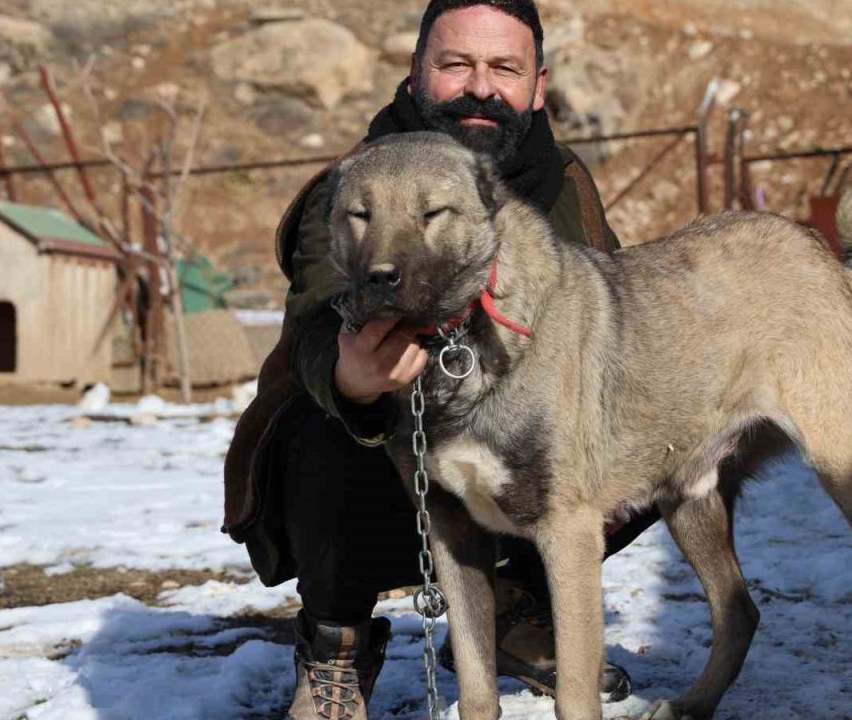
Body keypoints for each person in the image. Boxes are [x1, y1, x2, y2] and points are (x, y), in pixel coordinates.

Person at [221, 1, 660, 717]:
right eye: (456, 64)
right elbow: (311, 319)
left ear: (538, 85)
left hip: (515, 457)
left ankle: (512, 604)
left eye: (504, 68)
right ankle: (337, 643)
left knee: (642, 418)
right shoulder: (355, 185)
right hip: (384, 484)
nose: (479, 86)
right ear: (419, 73)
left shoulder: (566, 180)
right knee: (328, 421)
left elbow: (609, 314)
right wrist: (346, 377)